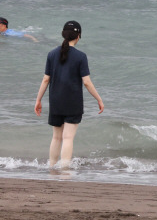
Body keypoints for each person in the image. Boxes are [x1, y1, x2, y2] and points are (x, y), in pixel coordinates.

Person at [34, 21, 104, 169]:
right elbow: (87, 82)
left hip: (55, 101)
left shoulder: (52, 54)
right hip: (73, 102)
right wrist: (99, 99)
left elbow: (46, 79)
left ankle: (52, 168)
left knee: (56, 137)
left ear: (63, 34)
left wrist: (38, 100)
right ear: (78, 36)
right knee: (68, 138)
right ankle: (65, 170)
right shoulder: (80, 56)